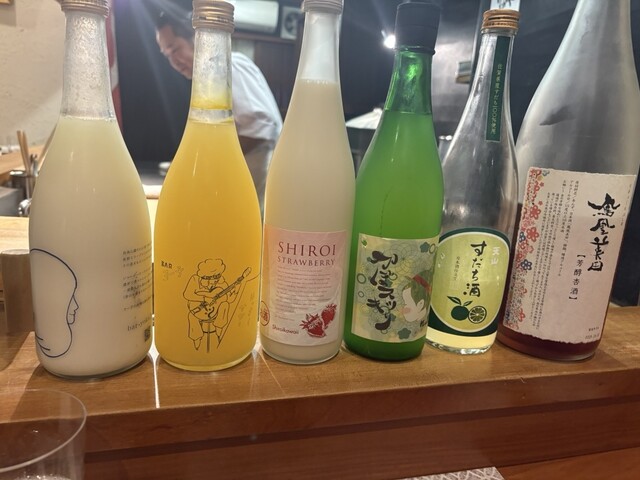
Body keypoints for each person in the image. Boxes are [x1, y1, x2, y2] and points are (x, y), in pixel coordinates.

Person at [154, 9, 283, 212]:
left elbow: (260, 126)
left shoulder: (229, 66)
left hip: (253, 194)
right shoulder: (210, 76)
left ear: (196, 38)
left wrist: (205, 161)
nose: (173, 61)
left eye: (175, 49)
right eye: (167, 55)